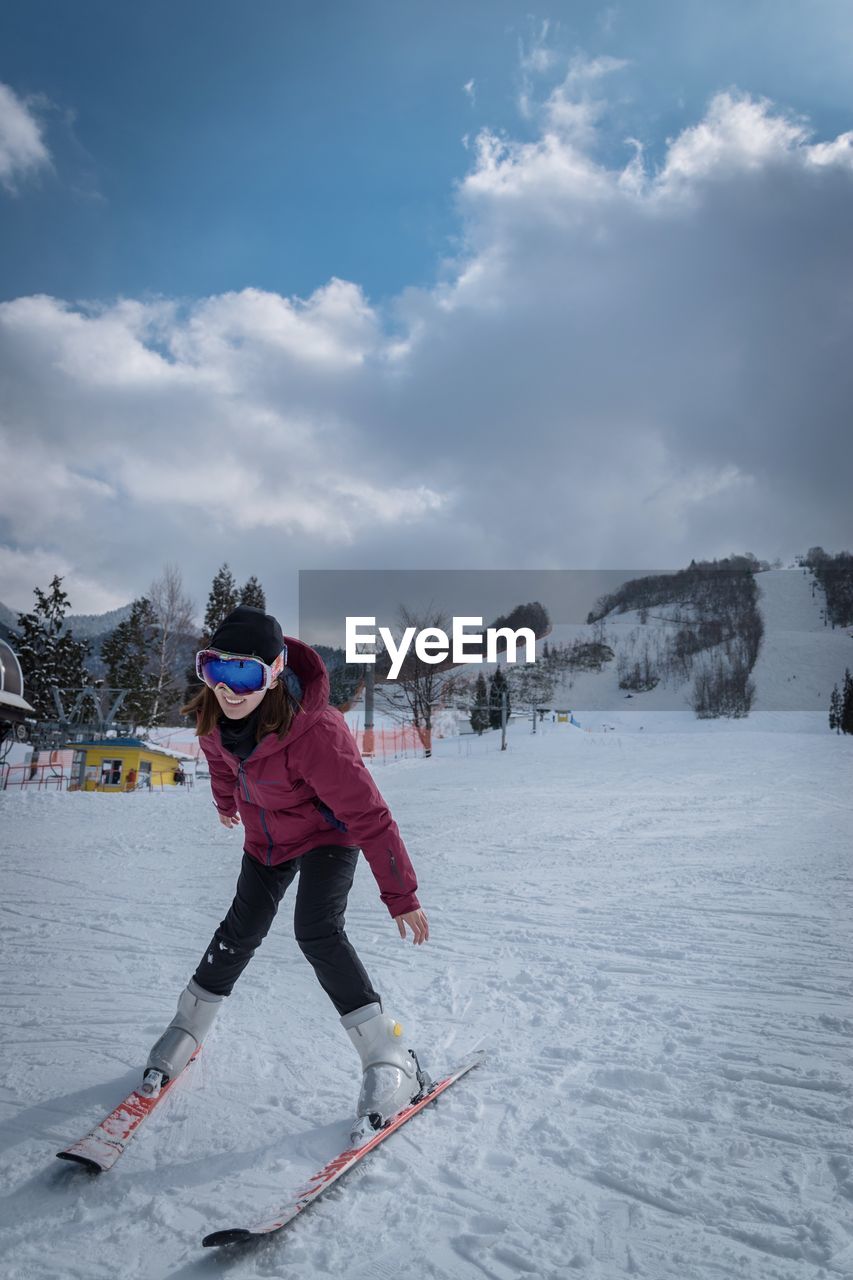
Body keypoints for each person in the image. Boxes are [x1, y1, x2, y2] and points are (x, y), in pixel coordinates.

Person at [145, 605, 430, 1145]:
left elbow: (369, 814)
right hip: (269, 836)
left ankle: (389, 1057)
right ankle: (188, 1026)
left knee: (316, 930)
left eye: (246, 673)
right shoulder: (215, 714)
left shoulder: (317, 731)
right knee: (241, 928)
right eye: (217, 670)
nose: (230, 689)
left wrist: (402, 895)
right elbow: (222, 762)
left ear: (274, 671)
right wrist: (225, 801)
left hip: (329, 831)